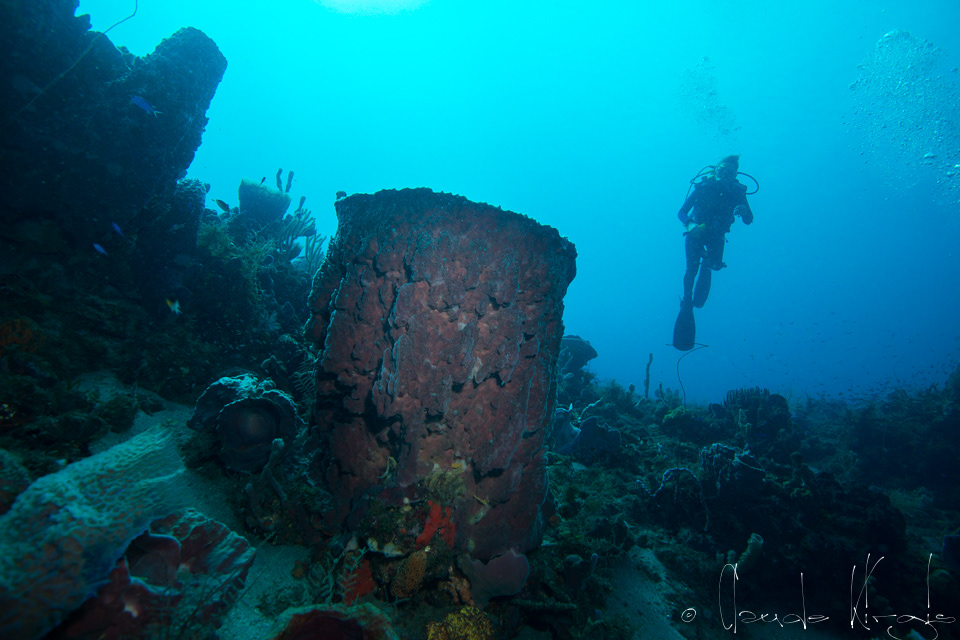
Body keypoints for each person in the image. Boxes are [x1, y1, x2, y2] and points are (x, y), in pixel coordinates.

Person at [677, 155, 754, 310]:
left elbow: (749, 219)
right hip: (696, 233)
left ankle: (708, 261)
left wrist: (745, 212)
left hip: (716, 236)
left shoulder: (738, 193)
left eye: (730, 173)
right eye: (722, 171)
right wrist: (690, 224)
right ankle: (687, 300)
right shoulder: (703, 187)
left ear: (735, 175)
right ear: (716, 171)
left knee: (716, 265)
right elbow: (681, 212)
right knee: (691, 270)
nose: (725, 176)